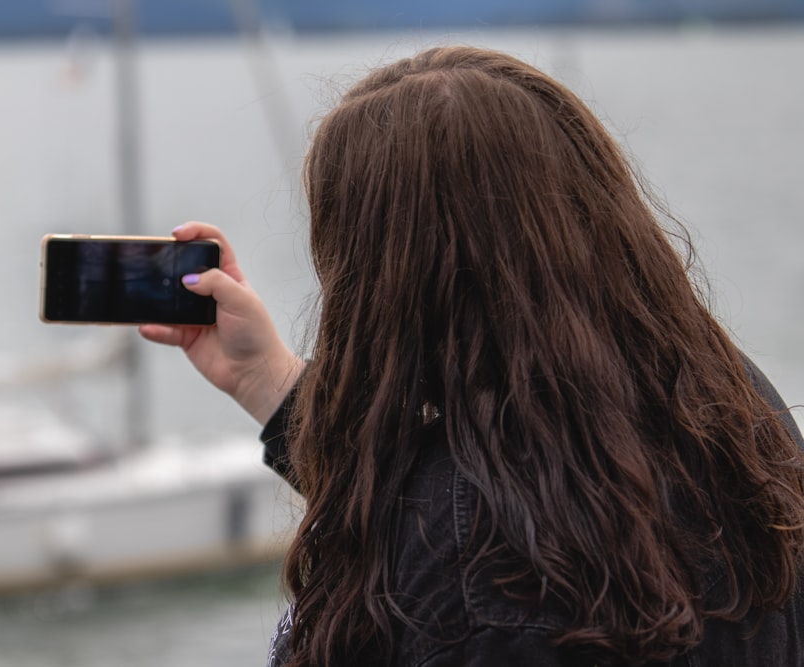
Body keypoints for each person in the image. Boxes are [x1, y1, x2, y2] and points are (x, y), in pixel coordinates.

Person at [139, 45, 804, 666]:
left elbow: (452, 531)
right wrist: (268, 380)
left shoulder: (467, 562)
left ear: (386, 283)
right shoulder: (726, 403)